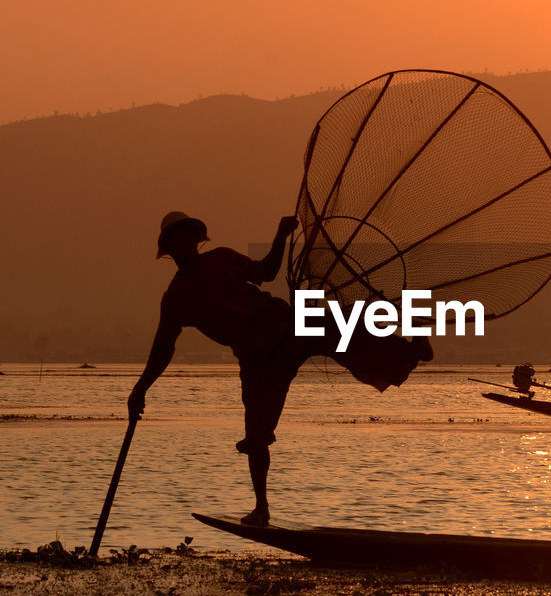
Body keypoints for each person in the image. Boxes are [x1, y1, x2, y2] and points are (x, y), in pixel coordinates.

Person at [128, 210, 430, 524]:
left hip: (284, 324)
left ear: (195, 239)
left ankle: (410, 352)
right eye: (177, 239)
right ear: (170, 247)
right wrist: (140, 389)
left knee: (342, 325)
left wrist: (281, 235)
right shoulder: (175, 297)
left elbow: (266, 271)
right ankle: (262, 508)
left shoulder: (222, 258)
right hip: (258, 357)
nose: (185, 243)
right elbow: (163, 349)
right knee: (256, 435)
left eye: (188, 236)